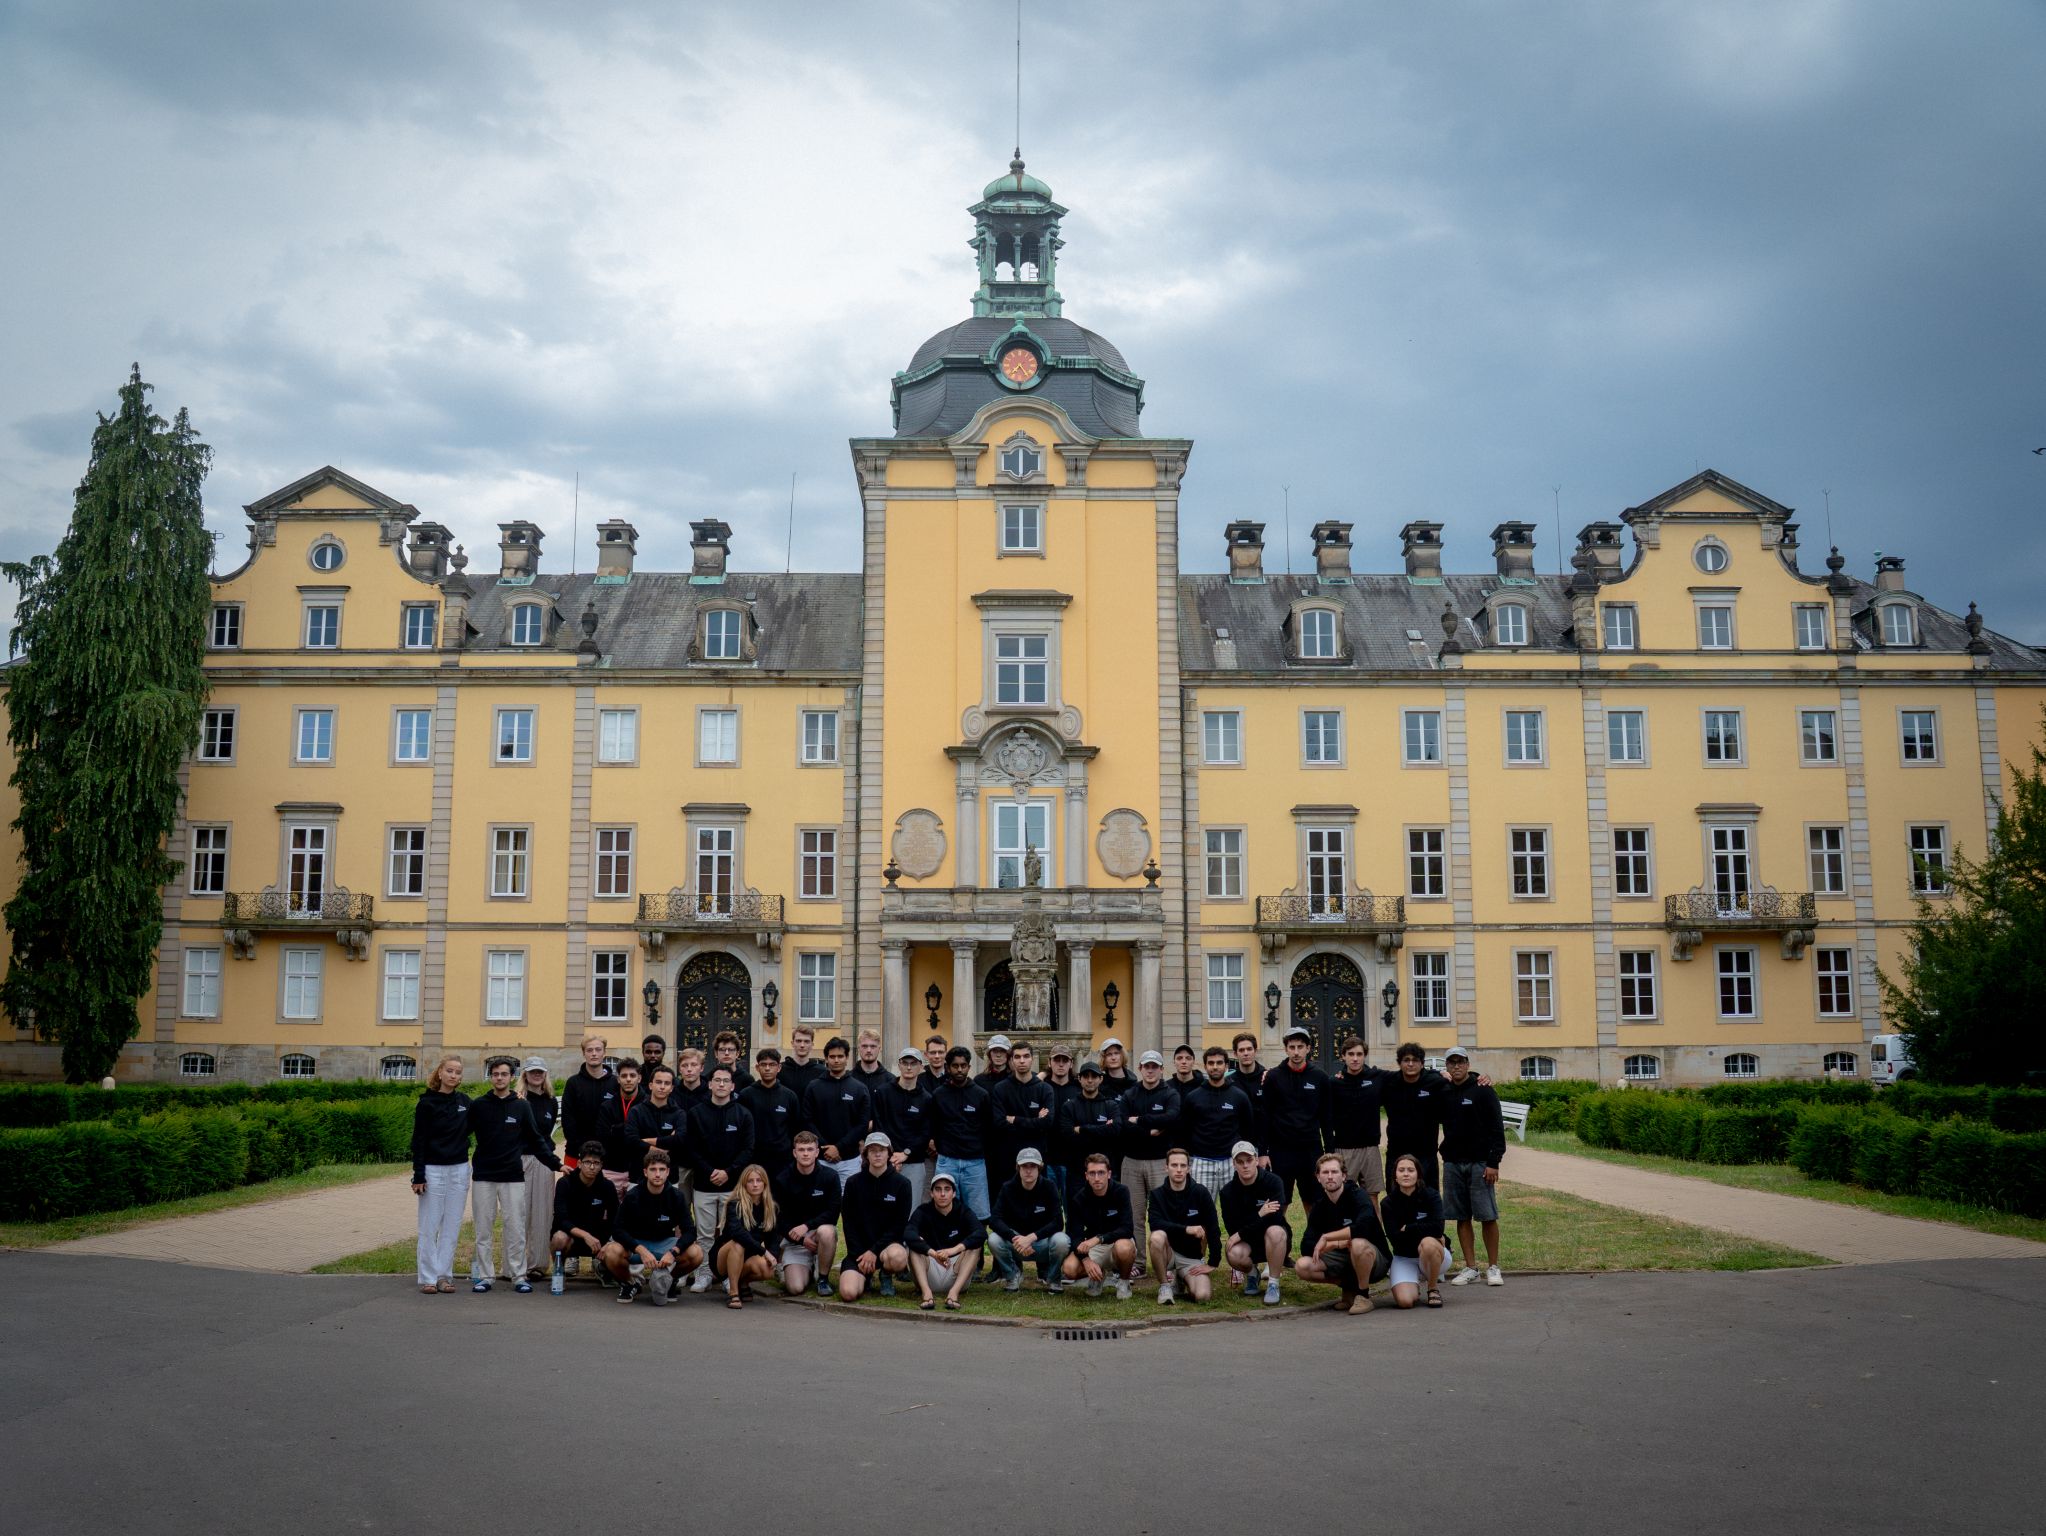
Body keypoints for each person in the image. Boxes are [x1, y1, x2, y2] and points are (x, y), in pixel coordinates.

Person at [468, 1057, 561, 1293]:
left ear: (511, 1077)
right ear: (490, 1077)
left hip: (512, 1175)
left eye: (504, 1074)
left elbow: (537, 1140)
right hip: (484, 1175)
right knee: (483, 1229)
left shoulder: (521, 1106)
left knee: (516, 1227)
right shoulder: (478, 1105)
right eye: (495, 1074)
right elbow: (461, 1134)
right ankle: (486, 1276)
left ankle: (519, 1276)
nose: (499, 1078)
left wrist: (556, 1164)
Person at [1438, 1046, 1507, 1288]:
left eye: (1460, 1062)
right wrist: (1438, 1075)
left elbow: (1497, 1127)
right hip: (1453, 1162)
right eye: (1452, 1062)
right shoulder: (1443, 1090)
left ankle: (1493, 1266)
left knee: (1487, 1216)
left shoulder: (1483, 1089)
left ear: (1468, 1064)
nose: (1456, 1066)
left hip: (1480, 1162)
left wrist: (1493, 1162)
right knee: (1461, 1216)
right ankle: (1471, 1267)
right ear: (1446, 1066)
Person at [684, 1065, 756, 1291]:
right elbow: (692, 1149)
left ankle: (726, 1275)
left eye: (726, 1081)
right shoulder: (696, 1113)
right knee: (704, 1234)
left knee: (730, 1234)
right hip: (704, 1185)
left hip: (732, 1186)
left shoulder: (743, 1114)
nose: (721, 1084)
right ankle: (704, 1274)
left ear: (733, 1086)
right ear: (710, 1084)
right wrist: (709, 1171)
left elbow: (748, 1149)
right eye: (717, 1080)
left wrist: (729, 1171)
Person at [1294, 1152, 1392, 1316]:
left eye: (1334, 1172)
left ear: (1344, 1176)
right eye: (1325, 1172)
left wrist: (1329, 1239)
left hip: (1375, 1259)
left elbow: (1363, 1228)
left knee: (1358, 1244)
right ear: (1318, 1177)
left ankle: (1363, 1296)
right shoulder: (1320, 1205)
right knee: (1302, 1266)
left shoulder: (1358, 1195)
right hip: (1343, 1259)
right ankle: (1349, 1286)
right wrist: (1336, 1245)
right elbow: (1306, 1245)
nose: (1330, 1176)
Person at [411, 1054, 473, 1294]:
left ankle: (444, 1276)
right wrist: (419, 1175)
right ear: (440, 1072)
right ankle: (428, 1277)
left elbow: (489, 1115)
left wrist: (515, 1099)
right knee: (429, 1225)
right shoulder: (427, 1103)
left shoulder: (465, 1102)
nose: (453, 1075)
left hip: (459, 1169)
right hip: (432, 1170)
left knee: (451, 1226)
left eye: (457, 1072)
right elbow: (418, 1140)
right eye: (449, 1071)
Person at [613, 1147, 702, 1306]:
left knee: (696, 1253)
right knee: (611, 1252)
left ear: (668, 1172)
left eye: (662, 1169)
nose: (658, 1174)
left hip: (664, 1244)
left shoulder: (677, 1196)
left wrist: (673, 1252)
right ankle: (630, 1284)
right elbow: (617, 1229)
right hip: (638, 1245)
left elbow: (690, 1231)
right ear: (645, 1172)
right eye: (653, 1169)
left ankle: (668, 1281)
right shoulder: (633, 1196)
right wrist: (640, 1249)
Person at [1118, 1050, 1181, 1271]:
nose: (1150, 1070)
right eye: (1147, 1066)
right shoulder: (1130, 1094)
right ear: (1140, 1069)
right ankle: (1138, 1263)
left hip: (1159, 1162)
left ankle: (1167, 1263)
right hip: (1132, 1161)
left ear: (1162, 1069)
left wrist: (1140, 1120)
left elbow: (1172, 1118)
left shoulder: (1170, 1094)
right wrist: (1149, 1130)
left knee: (1164, 1214)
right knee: (1134, 1215)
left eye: (1155, 1066)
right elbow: (1122, 1124)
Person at [1261, 1026, 1333, 1211]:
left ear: (1308, 1048)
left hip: (1310, 1150)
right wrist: (1263, 1152)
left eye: (1300, 1047)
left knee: (1313, 1202)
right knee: (1279, 1202)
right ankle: (1278, 1231)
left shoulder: (1320, 1077)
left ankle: (1314, 1232)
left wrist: (1329, 1152)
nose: (1296, 1052)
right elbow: (1266, 1115)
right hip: (1281, 1150)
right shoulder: (1273, 1077)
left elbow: (1326, 1118)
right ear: (1285, 1049)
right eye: (1292, 1047)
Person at [837, 1132, 913, 1301]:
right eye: (872, 1150)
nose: (877, 1154)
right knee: (848, 1293)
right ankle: (865, 1277)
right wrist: (861, 1254)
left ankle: (885, 1274)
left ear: (889, 1153)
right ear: (866, 1155)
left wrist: (873, 1251)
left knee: (899, 1257)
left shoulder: (902, 1184)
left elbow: (899, 1226)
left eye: (882, 1150)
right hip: (859, 1252)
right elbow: (848, 1223)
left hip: (887, 1249)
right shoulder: (853, 1183)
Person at [987, 1147, 1071, 1292]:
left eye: (1033, 1166)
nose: (1028, 1170)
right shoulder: (1007, 1188)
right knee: (993, 1239)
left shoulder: (1049, 1186)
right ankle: (1012, 1276)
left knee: (1062, 1240)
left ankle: (1053, 1279)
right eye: (1024, 1166)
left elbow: (1058, 1222)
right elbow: (994, 1219)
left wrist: (1031, 1238)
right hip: (1017, 1244)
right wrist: (1014, 1238)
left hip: (1042, 1243)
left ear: (1040, 1168)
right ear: (1018, 1168)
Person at [1219, 1140, 1290, 1307]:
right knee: (1232, 1252)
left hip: (1273, 1240)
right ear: (1234, 1164)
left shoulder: (1274, 1182)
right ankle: (1252, 1274)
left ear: (1257, 1160)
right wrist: (1259, 1214)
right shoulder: (1227, 1192)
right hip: (1247, 1242)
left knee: (1275, 1231)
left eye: (1249, 1160)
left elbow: (1275, 1218)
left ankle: (1273, 1283)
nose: (1245, 1166)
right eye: (1240, 1162)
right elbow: (1232, 1228)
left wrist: (1243, 1229)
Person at [549, 1141, 626, 1293]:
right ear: (579, 1163)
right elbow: (561, 1219)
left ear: (601, 1165)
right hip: (572, 1236)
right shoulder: (565, 1183)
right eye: (587, 1162)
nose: (592, 1167)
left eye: (596, 1163)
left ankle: (603, 1269)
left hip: (598, 1240)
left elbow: (616, 1220)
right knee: (559, 1238)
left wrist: (609, 1243)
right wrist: (585, 1235)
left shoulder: (607, 1186)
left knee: (617, 1246)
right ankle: (559, 1271)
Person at [927, 1045, 994, 1221]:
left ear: (969, 1067)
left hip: (975, 1162)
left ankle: (974, 1240)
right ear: (948, 1067)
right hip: (946, 1161)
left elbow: (988, 1129)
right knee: (943, 1211)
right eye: (955, 1066)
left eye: (963, 1065)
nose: (959, 1070)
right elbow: (932, 1125)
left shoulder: (981, 1095)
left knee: (979, 1215)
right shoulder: (938, 1095)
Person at [1146, 1148, 1220, 1305]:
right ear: (1166, 1167)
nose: (1178, 1170)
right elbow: (1155, 1223)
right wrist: (1187, 1229)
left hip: (1190, 1257)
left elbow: (1213, 1227)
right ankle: (1165, 1286)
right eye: (1174, 1165)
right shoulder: (1157, 1194)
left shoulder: (1200, 1192)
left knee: (1202, 1296)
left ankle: (1181, 1279)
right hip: (1167, 1253)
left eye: (1183, 1165)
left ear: (1189, 1168)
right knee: (1156, 1237)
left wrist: (1213, 1262)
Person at [1180, 1047, 1256, 1200]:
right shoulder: (1193, 1097)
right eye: (1211, 1063)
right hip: (1201, 1162)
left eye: (1219, 1063)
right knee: (1201, 1210)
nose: (1215, 1067)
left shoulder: (1239, 1096)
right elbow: (1184, 1131)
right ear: (1205, 1066)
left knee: (1237, 1208)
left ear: (1226, 1066)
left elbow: (1248, 1130)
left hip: (1231, 1162)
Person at [771, 1132, 840, 1297]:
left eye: (810, 1149)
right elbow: (778, 1220)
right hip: (795, 1239)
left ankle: (823, 1279)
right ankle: (808, 1267)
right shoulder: (782, 1179)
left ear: (817, 1152)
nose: (806, 1153)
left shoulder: (830, 1176)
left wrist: (807, 1226)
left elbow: (833, 1213)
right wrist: (801, 1239)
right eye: (801, 1150)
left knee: (827, 1231)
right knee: (795, 1288)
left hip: (818, 1235)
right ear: (794, 1153)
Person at [907, 1169, 986, 1311]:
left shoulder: (963, 1211)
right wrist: (933, 1253)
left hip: (955, 1271)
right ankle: (926, 1294)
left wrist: (953, 1250)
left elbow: (981, 1233)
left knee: (975, 1247)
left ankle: (953, 1294)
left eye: (947, 1189)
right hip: (930, 1271)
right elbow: (908, 1234)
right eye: (938, 1189)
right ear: (931, 1193)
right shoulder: (923, 1211)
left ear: (954, 1193)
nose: (942, 1194)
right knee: (914, 1247)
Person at [1380, 1150, 1449, 1309]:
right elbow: (1395, 1239)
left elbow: (1438, 1228)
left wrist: (1409, 1228)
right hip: (1404, 1257)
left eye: (1411, 1170)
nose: (1406, 1174)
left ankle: (1433, 1288)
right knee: (1405, 1302)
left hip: (1435, 1255)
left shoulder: (1432, 1196)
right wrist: (1427, 1229)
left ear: (1418, 1175)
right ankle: (1413, 1284)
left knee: (1428, 1243)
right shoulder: (1387, 1203)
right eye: (1401, 1170)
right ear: (1395, 1176)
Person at [1063, 1152, 1137, 1299]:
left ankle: (1123, 1282)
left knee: (1125, 1248)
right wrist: (1086, 1260)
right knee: (1069, 1268)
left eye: (1101, 1173)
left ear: (1109, 1174)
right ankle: (1098, 1276)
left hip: (1117, 1242)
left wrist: (1099, 1238)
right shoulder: (1079, 1199)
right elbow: (1074, 1234)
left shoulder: (1121, 1191)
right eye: (1092, 1173)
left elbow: (1127, 1228)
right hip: (1095, 1248)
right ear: (1086, 1176)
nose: (1097, 1178)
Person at [801, 1036, 872, 1182]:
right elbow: (807, 1120)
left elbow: (862, 1124)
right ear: (826, 1059)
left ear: (847, 1058)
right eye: (832, 1057)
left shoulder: (859, 1088)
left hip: (850, 1161)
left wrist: (839, 1148)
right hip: (820, 1159)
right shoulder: (814, 1087)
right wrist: (826, 1148)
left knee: (849, 1197)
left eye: (840, 1056)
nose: (836, 1060)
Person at [515, 1055, 561, 1281]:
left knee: (542, 1214)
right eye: (532, 1071)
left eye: (540, 1072)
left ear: (545, 1075)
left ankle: (537, 1265)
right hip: (520, 1159)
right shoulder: (516, 1099)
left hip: (544, 1159)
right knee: (519, 1213)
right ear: (525, 1074)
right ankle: (515, 1264)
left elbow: (545, 1133)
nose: (536, 1075)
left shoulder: (550, 1101)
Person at [872, 1045, 935, 1205]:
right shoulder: (883, 1092)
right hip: (886, 1161)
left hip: (914, 1162)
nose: (908, 1067)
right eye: (905, 1063)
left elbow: (925, 1132)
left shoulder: (927, 1099)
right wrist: (890, 1155)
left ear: (921, 1067)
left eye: (913, 1063)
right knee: (884, 1208)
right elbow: (879, 1126)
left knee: (911, 1209)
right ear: (899, 1065)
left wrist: (906, 1153)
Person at [989, 1039, 1054, 1195]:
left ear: (1032, 1059)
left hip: (1037, 1155)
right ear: (1011, 1060)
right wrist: (1035, 1122)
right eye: (1017, 1057)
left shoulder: (1045, 1089)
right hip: (1007, 1156)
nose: (1022, 1061)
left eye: (1026, 1056)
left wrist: (1015, 1120)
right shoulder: (1000, 1089)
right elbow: (999, 1123)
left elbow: (1047, 1123)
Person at [1382, 1042, 1450, 1189]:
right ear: (1399, 1063)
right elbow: (1367, 1073)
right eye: (1406, 1060)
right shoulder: (1389, 1082)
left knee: (1428, 1196)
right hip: (1396, 1152)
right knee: (1395, 1195)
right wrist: (1343, 1072)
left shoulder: (1435, 1082)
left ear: (1422, 1063)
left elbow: (1460, 1081)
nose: (1411, 1064)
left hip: (1426, 1154)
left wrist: (1478, 1077)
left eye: (1415, 1060)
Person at [1328, 1035, 1388, 1198]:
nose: (1355, 1058)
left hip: (1370, 1147)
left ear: (1364, 1055)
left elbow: (1405, 1074)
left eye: (1359, 1054)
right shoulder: (1333, 1082)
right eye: (1351, 1054)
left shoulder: (1376, 1077)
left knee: (1372, 1195)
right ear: (1343, 1056)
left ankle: (1373, 1218)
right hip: (1344, 1147)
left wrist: (1441, 1073)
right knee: (1342, 1195)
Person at [712, 1164, 779, 1309]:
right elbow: (738, 1234)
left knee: (767, 1269)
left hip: (748, 1256)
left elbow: (773, 1237)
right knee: (738, 1243)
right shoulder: (734, 1204)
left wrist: (772, 1255)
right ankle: (733, 1293)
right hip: (724, 1256)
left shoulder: (770, 1207)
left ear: (765, 1183)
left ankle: (743, 1282)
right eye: (750, 1181)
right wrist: (764, 1252)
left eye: (759, 1180)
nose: (755, 1184)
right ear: (744, 1184)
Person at [1056, 1056, 1123, 1191]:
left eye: (1094, 1076)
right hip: (1077, 1172)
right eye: (1086, 1076)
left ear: (1101, 1079)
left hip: (1104, 1171)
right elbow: (1067, 1136)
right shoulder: (1069, 1106)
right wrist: (1102, 1130)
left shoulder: (1110, 1105)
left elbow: (1115, 1131)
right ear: (1079, 1079)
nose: (1090, 1080)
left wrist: (1081, 1129)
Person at [737, 1047, 800, 1178]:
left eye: (772, 1064)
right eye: (763, 1064)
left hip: (783, 1161)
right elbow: (741, 1129)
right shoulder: (746, 1095)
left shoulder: (789, 1096)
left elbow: (795, 1128)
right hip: (754, 1160)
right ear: (757, 1067)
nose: (767, 1068)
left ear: (779, 1067)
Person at [559, 1036, 617, 1176]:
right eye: (589, 1050)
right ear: (583, 1053)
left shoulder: (615, 1083)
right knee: (572, 1188)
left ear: (604, 1052)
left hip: (607, 1154)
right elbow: (567, 1119)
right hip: (576, 1152)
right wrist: (582, 1149)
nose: (594, 1054)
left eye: (598, 1049)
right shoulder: (573, 1083)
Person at [626, 1064, 689, 1179]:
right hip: (639, 1176)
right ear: (650, 1085)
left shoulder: (679, 1114)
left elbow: (680, 1140)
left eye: (667, 1083)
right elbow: (631, 1140)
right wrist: (662, 1148)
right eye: (659, 1082)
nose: (662, 1087)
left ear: (672, 1088)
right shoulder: (636, 1111)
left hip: (670, 1178)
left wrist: (648, 1141)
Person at [1040, 1045, 1083, 1203]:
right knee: (1046, 1206)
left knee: (1072, 1206)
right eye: (1056, 1060)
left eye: (1065, 1060)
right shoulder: (1041, 1087)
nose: (1060, 1064)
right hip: (1046, 1158)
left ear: (1071, 1063)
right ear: (1049, 1062)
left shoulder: (1079, 1088)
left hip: (1071, 1159)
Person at [595, 1059, 645, 1193]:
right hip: (612, 1169)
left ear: (639, 1078)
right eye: (624, 1076)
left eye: (632, 1075)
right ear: (618, 1079)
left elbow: (649, 1135)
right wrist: (634, 1132)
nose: (628, 1079)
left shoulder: (648, 1105)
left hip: (639, 1171)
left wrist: (616, 1129)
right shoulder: (607, 1106)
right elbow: (603, 1138)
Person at [1229, 1031, 1268, 1130]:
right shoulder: (1229, 1082)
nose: (1246, 1053)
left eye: (1249, 1049)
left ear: (1255, 1051)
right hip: (1238, 1137)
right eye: (1241, 1050)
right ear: (1235, 1054)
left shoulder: (1267, 1078)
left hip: (1263, 1137)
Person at [779, 1024, 826, 1101]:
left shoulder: (822, 1072)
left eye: (806, 1041)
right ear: (792, 1043)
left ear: (812, 1045)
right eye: (798, 1041)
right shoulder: (780, 1070)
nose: (802, 1045)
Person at [850, 1027, 890, 1098]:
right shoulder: (848, 1078)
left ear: (879, 1049)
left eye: (873, 1046)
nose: (869, 1050)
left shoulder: (890, 1080)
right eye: (864, 1046)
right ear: (859, 1048)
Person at [672, 1047, 710, 1111]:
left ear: (701, 1068)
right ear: (680, 1069)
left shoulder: (711, 1094)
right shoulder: (672, 1094)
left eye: (694, 1065)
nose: (689, 1069)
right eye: (684, 1065)